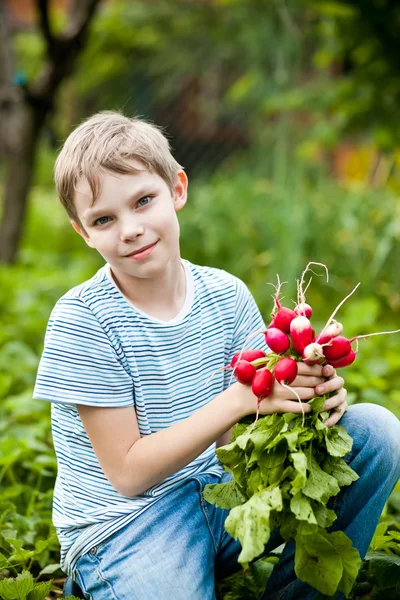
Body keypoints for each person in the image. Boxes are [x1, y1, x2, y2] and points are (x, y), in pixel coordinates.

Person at [33, 111, 400, 600]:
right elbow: (128, 473)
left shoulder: (224, 294)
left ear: (178, 189)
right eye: (104, 219)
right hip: (128, 526)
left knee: (376, 434)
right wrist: (238, 399)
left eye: (144, 201)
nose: (131, 229)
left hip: (220, 495)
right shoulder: (84, 320)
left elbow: (242, 430)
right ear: (84, 232)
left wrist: (307, 396)